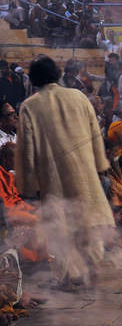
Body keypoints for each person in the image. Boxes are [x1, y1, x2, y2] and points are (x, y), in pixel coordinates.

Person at [15, 55, 114, 290]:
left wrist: (28, 185)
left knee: (60, 228)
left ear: (34, 79)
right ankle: (92, 269)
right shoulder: (78, 97)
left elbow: (26, 149)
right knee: (86, 222)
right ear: (57, 75)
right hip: (84, 174)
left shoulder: (30, 105)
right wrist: (100, 165)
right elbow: (95, 133)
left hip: (54, 177)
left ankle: (67, 278)